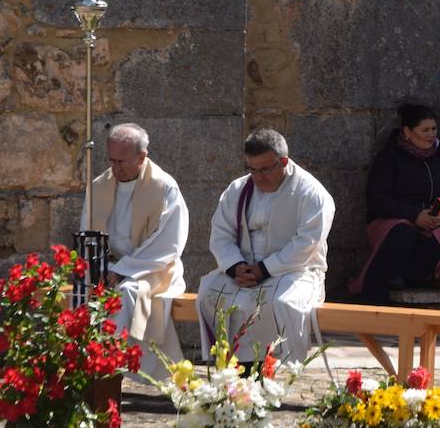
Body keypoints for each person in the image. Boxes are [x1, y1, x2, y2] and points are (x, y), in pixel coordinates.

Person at [199, 128, 333, 364]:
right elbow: (221, 234)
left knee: (281, 303)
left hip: (295, 270)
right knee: (210, 294)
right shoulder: (238, 189)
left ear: (283, 162)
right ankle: (227, 367)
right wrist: (236, 267)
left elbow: (307, 243)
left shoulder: (311, 193)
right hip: (245, 271)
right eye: (251, 169)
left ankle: (272, 370)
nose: (257, 177)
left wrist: (265, 269)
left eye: (264, 169)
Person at [81, 123, 188, 379]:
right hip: (110, 267)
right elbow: (87, 231)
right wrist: (99, 267)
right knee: (82, 290)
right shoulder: (99, 186)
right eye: (112, 161)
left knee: (129, 292)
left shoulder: (164, 188)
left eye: (123, 162)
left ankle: (110, 368)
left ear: (142, 157)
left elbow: (168, 242)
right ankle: (86, 363)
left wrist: (123, 270)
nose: (116, 168)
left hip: (154, 268)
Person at [351, 104, 440, 304]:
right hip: (396, 223)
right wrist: (415, 215)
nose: (430, 135)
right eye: (424, 130)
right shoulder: (389, 158)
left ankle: (409, 275)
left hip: (436, 226)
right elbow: (378, 198)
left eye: (434, 129)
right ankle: (374, 292)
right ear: (408, 132)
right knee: (403, 233)